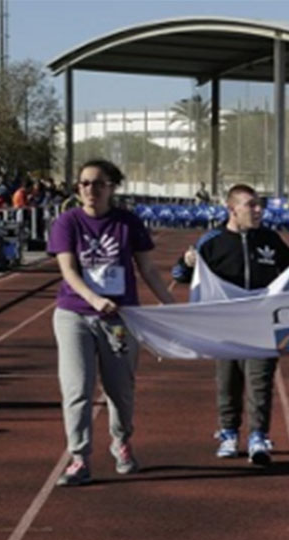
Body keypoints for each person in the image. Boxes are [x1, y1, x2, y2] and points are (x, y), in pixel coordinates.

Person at [50, 159, 175, 486]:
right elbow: (69, 271)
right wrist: (92, 299)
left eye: (98, 183)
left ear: (112, 187)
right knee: (77, 388)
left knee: (120, 389)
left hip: (120, 317)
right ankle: (79, 457)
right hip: (75, 314)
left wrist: (171, 305)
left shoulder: (127, 223)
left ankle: (121, 441)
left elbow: (147, 269)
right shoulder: (67, 222)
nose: (90, 190)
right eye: (84, 184)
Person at [172, 184, 289, 465]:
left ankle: (258, 436)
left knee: (260, 381)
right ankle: (229, 432)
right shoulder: (213, 241)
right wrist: (186, 261)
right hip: (225, 326)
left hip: (261, 323)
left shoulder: (269, 239)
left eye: (260, 205)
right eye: (251, 205)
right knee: (228, 382)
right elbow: (179, 274)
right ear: (232, 209)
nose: (258, 211)